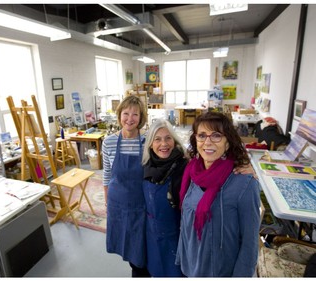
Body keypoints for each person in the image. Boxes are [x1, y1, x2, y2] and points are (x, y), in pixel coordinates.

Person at [175, 111, 261, 277]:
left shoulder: (244, 184)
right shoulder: (192, 173)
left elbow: (250, 243)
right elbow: (186, 225)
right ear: (195, 140)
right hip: (190, 266)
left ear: (227, 142)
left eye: (216, 135)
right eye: (202, 135)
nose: (207, 142)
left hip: (221, 271)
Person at [102, 95, 150, 277]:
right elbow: (107, 174)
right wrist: (107, 202)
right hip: (118, 203)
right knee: (128, 245)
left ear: (141, 117)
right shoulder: (109, 142)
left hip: (142, 203)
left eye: (135, 114)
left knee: (142, 246)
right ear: (119, 115)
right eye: (126, 113)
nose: (130, 118)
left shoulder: (148, 141)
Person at [141, 119, 188, 277]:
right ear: (150, 144)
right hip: (152, 237)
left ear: (174, 141)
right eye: (158, 139)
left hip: (176, 237)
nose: (164, 144)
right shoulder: (146, 166)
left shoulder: (185, 165)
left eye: (168, 138)